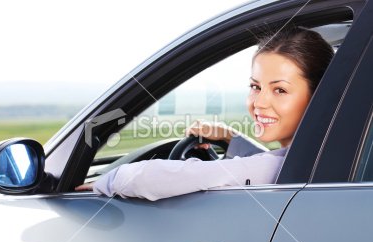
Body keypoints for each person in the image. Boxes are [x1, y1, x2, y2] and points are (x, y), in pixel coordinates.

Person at [75, 26, 334, 200]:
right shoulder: (325, 157)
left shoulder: (278, 165)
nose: (259, 103)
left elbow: (147, 180)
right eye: (256, 86)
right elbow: (268, 166)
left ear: (318, 96)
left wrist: (107, 181)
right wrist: (233, 140)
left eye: (279, 90)